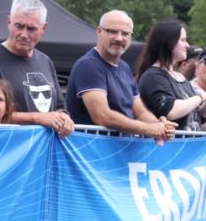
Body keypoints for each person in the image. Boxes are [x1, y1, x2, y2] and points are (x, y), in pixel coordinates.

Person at [65, 10, 176, 140]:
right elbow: (102, 116)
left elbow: (140, 112)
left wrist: (160, 125)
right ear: (99, 31)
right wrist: (148, 129)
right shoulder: (89, 65)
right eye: (112, 31)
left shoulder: (124, 68)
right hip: (91, 153)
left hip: (118, 153)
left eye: (125, 33)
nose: (119, 38)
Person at [0, 0, 74, 137]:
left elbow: (59, 107)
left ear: (43, 28)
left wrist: (64, 118)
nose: (24, 34)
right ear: (9, 22)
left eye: (31, 28)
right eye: (19, 26)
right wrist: (37, 118)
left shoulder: (46, 61)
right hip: (8, 148)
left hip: (43, 149)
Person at [136, 19, 206, 132]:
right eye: (183, 40)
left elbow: (199, 117)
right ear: (168, 43)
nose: (187, 45)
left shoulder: (180, 77)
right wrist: (202, 97)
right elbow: (170, 111)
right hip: (167, 147)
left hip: (187, 146)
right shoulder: (153, 76)